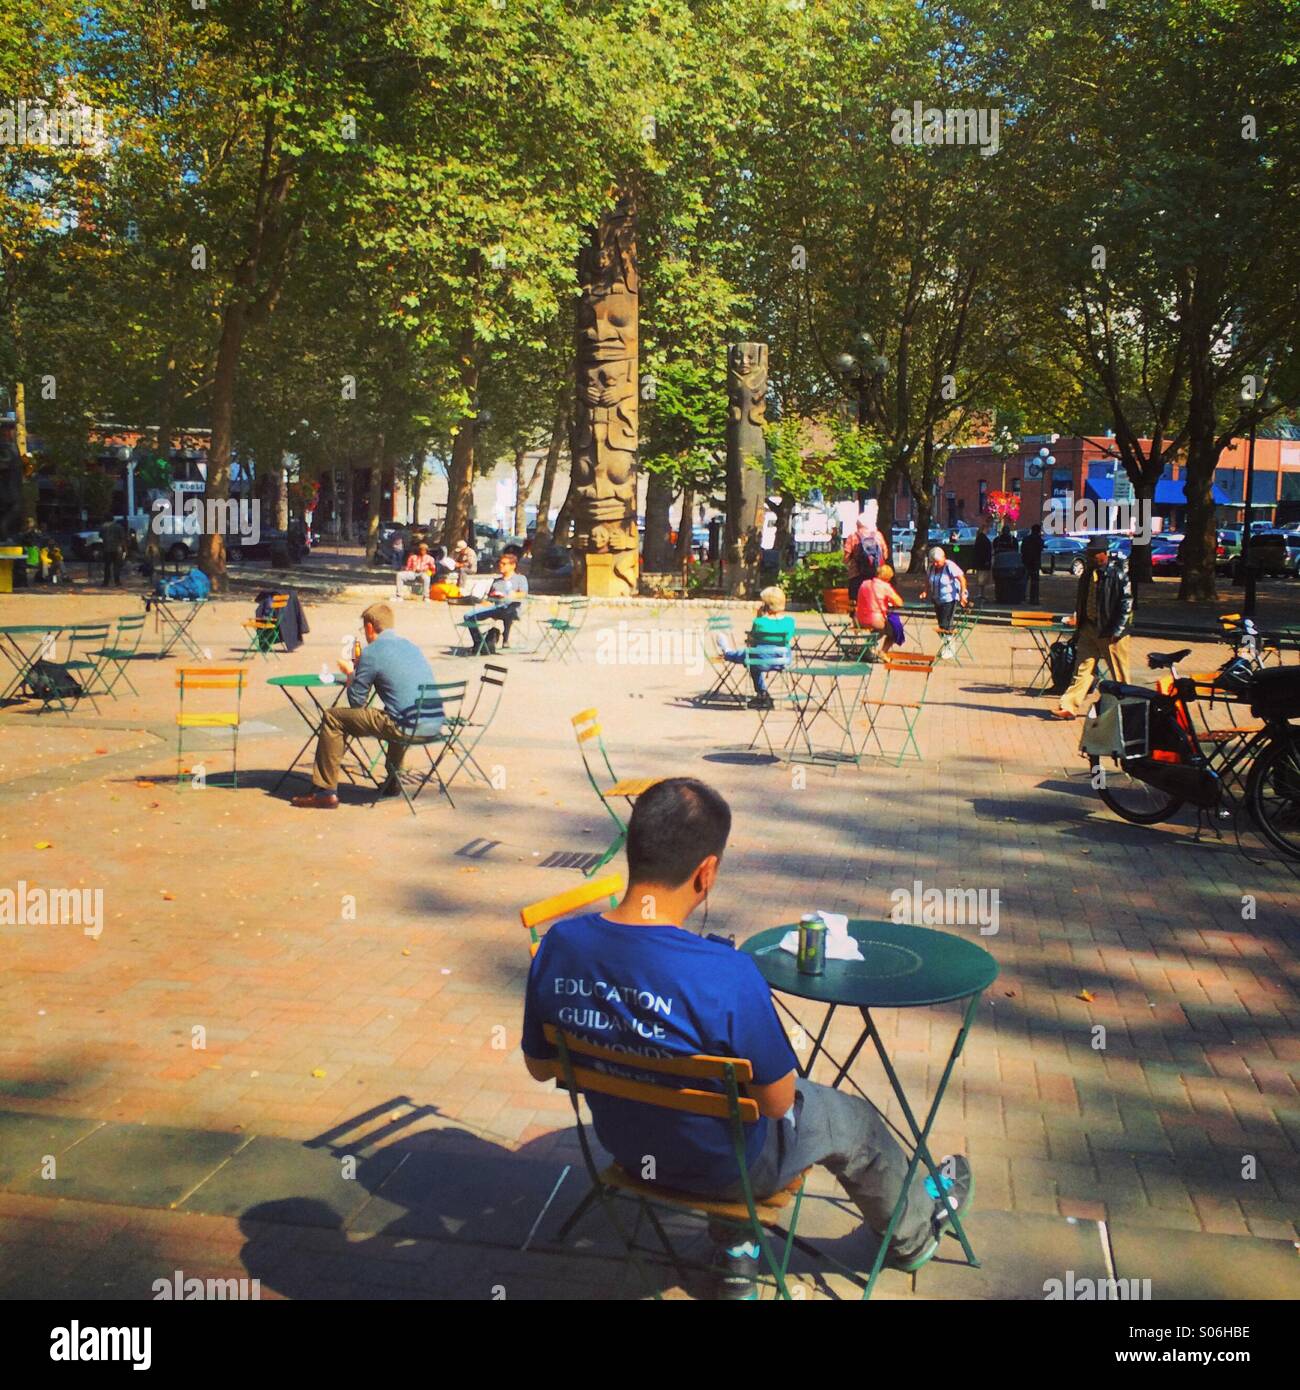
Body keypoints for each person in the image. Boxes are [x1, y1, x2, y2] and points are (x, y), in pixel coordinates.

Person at [521, 778, 973, 1300]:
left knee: (727, 1109)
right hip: (728, 1168)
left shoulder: (560, 945)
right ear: (706, 872)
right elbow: (779, 1101)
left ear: (632, 847)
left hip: (628, 1146)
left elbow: (540, 1066)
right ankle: (913, 1238)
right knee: (853, 1123)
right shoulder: (726, 974)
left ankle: (736, 1251)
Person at [291, 602, 441, 809]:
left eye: (364, 628)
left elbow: (357, 702)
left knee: (333, 717)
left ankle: (325, 791)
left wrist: (351, 673)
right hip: (432, 723)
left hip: (405, 727)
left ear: (370, 627)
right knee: (397, 713)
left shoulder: (373, 652)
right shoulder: (411, 646)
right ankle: (393, 781)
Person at [1052, 537, 1134, 720]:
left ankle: (1128, 709)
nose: (1089, 557)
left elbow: (1126, 603)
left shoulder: (1117, 573)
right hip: (1089, 628)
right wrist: (1079, 620)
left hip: (1110, 631)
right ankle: (1069, 706)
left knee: (1119, 673)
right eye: (1088, 553)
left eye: (1093, 554)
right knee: (1082, 669)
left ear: (1103, 554)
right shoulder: (1087, 574)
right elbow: (1082, 599)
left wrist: (1117, 630)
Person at [715, 585, 794, 710]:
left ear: (766, 605)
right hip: (782, 660)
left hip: (760, 660)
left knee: (749, 657)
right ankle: (762, 694)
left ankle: (727, 653)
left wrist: (759, 617)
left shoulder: (760, 622)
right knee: (751, 656)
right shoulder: (790, 621)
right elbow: (788, 638)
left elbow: (752, 642)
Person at [463, 550, 528, 654]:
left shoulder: (520, 579)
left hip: (512, 608)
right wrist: (483, 600)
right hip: (496, 608)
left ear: (513, 565)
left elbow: (523, 594)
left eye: (504, 564)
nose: (501, 566)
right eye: (500, 563)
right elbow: (489, 599)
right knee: (468, 616)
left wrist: (510, 595)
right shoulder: (497, 581)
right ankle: (479, 642)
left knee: (508, 611)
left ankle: (505, 639)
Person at [919, 546, 968, 659]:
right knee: (941, 625)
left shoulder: (949, 566)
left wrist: (963, 593)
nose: (935, 564)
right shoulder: (931, 567)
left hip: (949, 599)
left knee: (946, 624)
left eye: (937, 562)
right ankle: (947, 646)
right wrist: (925, 591)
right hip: (937, 599)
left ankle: (949, 649)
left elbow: (962, 579)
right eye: (933, 562)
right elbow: (927, 580)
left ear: (943, 558)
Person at [842, 500, 889, 604]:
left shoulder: (853, 537)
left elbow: (846, 558)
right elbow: (885, 555)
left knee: (855, 601)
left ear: (858, 524)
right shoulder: (878, 535)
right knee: (873, 601)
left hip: (856, 574)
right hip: (875, 575)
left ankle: (856, 618)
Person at [855, 561, 905, 655]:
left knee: (881, 630)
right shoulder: (885, 586)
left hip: (860, 619)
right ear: (887, 578)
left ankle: (867, 649)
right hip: (875, 620)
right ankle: (883, 651)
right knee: (895, 630)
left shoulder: (864, 584)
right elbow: (899, 602)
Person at [1020, 523, 1045, 605]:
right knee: (1034, 582)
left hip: (1026, 562)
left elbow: (1022, 550)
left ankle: (1022, 597)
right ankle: (1034, 599)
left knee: (1024, 581)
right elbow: (1041, 548)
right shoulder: (1038, 540)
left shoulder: (1026, 539)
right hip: (1035, 563)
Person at [100, 517, 127, 587]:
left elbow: (100, 536)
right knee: (117, 566)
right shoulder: (119, 527)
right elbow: (122, 537)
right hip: (117, 548)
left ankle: (106, 582)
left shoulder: (103, 526)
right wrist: (124, 548)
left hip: (106, 548)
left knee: (107, 566)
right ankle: (117, 581)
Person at [970, 520, 993, 600]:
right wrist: (986, 561)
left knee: (982, 579)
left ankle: (982, 593)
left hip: (982, 562)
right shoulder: (982, 539)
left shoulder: (980, 538)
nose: (989, 530)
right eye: (988, 528)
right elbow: (984, 551)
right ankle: (981, 594)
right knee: (982, 579)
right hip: (983, 562)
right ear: (985, 529)